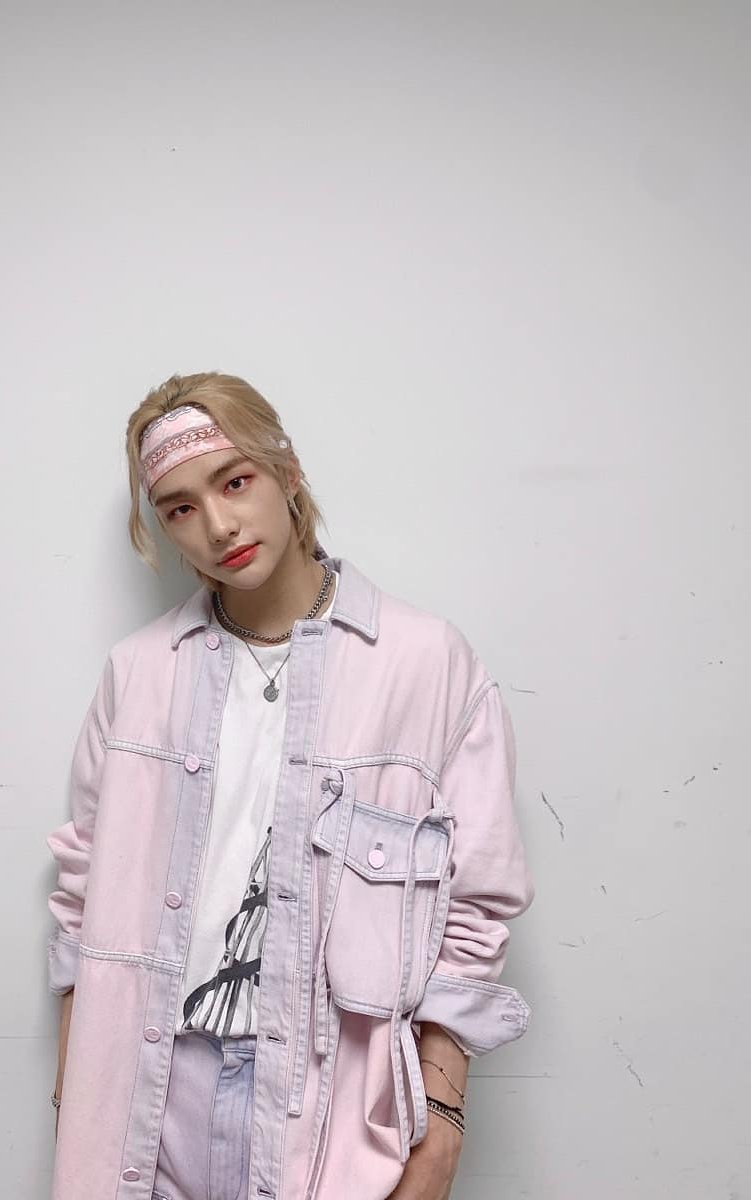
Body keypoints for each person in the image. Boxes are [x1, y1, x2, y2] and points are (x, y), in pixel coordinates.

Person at [45, 372, 534, 1200]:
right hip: (146, 1102)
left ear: (288, 469)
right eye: (179, 508)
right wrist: (74, 1105)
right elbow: (79, 904)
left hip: (333, 1116)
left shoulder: (427, 665)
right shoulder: (137, 675)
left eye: (234, 481)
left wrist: (443, 1127)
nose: (217, 525)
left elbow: (475, 909)